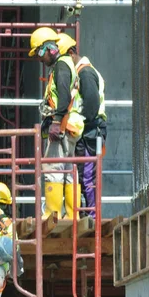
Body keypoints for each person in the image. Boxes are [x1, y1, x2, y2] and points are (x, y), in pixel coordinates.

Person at [29, 27, 84, 219]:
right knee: (69, 171)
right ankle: (71, 215)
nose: (40, 59)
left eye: (39, 54)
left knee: (53, 168)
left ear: (49, 48)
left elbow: (64, 95)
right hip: (71, 125)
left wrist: (57, 121)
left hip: (63, 125)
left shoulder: (61, 66)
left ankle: (52, 214)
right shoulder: (68, 64)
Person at [57, 34, 107, 218]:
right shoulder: (80, 73)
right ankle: (86, 213)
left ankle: (93, 217)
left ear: (70, 54)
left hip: (90, 132)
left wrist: (78, 123)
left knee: (87, 177)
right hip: (86, 131)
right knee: (81, 175)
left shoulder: (85, 73)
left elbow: (92, 105)